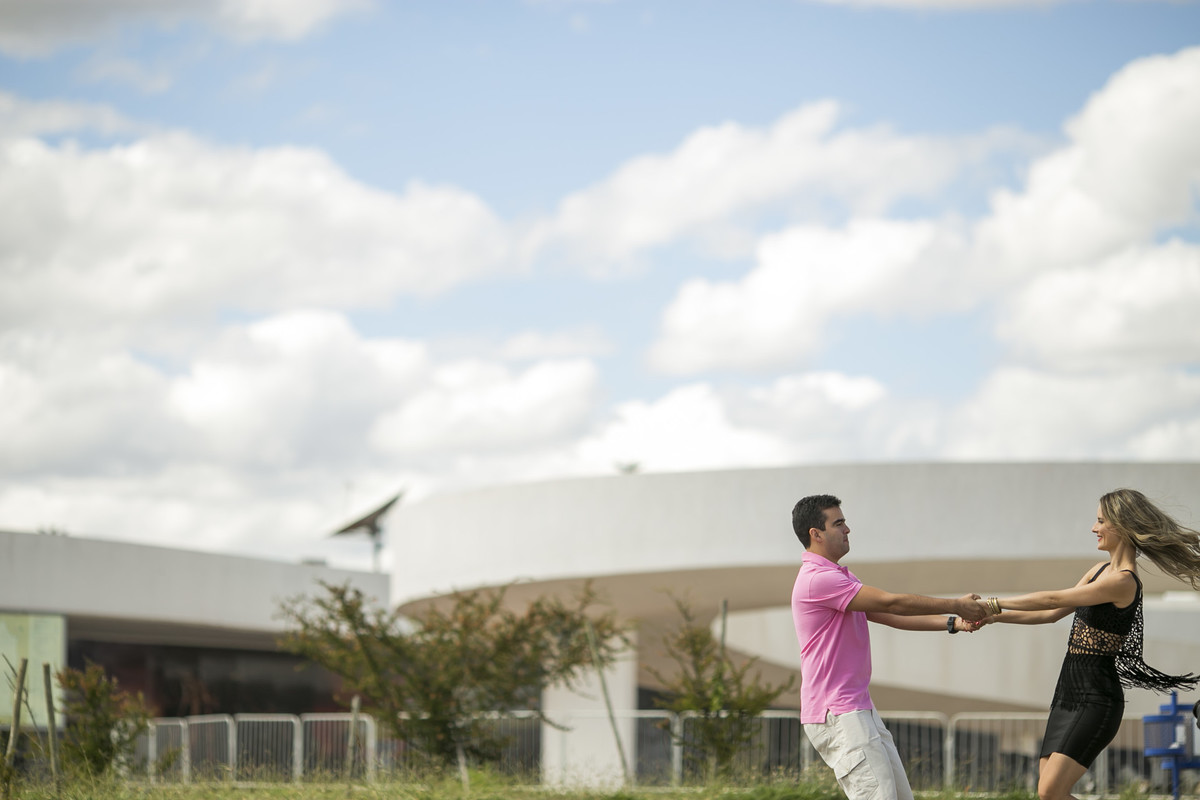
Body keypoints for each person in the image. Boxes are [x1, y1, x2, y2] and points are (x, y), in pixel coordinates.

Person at [980, 488, 1200, 800]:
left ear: (1121, 526)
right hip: (1067, 692)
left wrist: (993, 603)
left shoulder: (1122, 581)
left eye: (1100, 521)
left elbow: (1054, 597)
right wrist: (995, 618)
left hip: (1097, 697)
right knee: (1050, 793)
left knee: (1049, 791)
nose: (1093, 528)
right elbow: (1050, 613)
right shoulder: (1098, 572)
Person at [790, 493, 987, 800]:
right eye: (838, 523)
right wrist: (958, 605)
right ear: (816, 534)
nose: (847, 529)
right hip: (839, 713)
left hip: (857, 709)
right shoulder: (819, 579)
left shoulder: (838, 577)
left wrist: (953, 622)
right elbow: (892, 601)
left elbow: (889, 614)